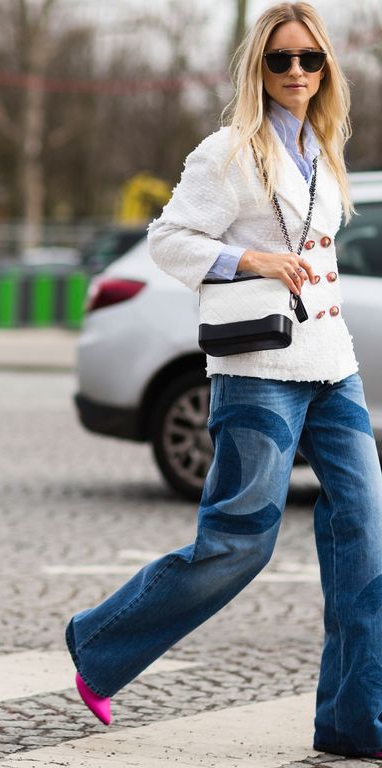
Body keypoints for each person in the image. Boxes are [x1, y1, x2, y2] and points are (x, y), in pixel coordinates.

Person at [65, 2, 382, 758]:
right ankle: (98, 643)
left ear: (327, 67)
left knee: (366, 538)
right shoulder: (228, 152)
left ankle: (353, 719)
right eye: (281, 60)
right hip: (258, 372)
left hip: (334, 368)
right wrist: (252, 260)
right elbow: (171, 240)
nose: (297, 73)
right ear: (258, 69)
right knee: (240, 542)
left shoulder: (323, 145)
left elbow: (325, 257)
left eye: (310, 59)